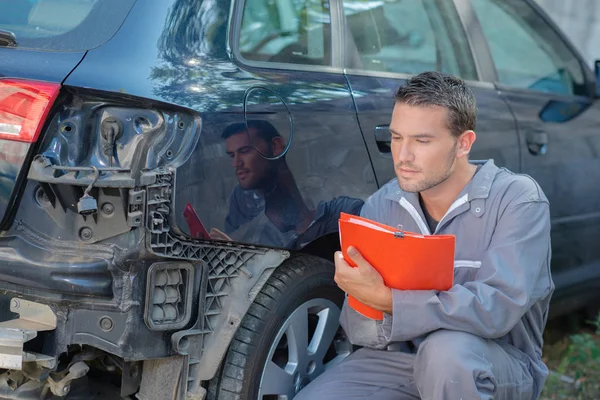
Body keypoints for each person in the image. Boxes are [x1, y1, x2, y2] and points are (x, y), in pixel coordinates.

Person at [295, 71, 554, 399]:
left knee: (445, 355)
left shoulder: (517, 199)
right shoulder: (382, 205)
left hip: (490, 362)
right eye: (397, 137)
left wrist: (390, 301)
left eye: (421, 140)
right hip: (397, 362)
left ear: (463, 143)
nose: (402, 156)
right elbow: (364, 334)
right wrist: (363, 296)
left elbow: (497, 309)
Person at [210, 119, 363, 248]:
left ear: (275, 146)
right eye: (231, 155)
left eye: (244, 151)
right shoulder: (257, 234)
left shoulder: (343, 210)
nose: (236, 163)